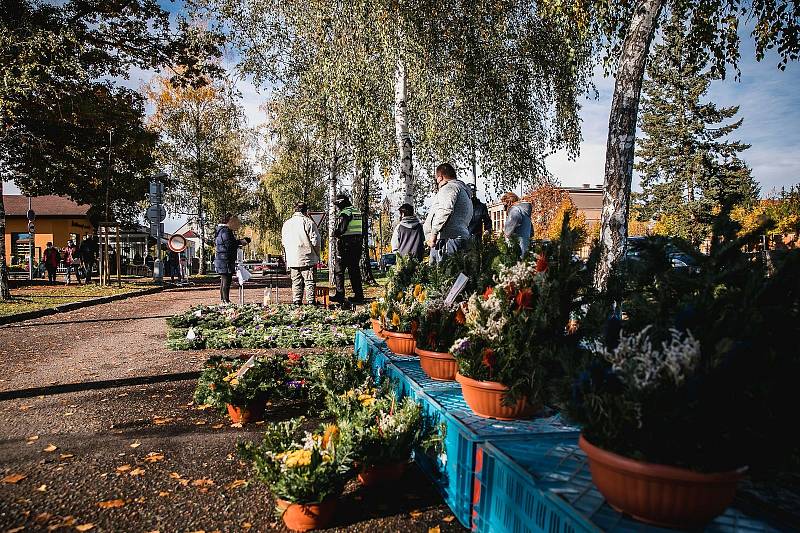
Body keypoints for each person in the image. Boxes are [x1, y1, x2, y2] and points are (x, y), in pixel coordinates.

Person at [423, 163, 473, 264]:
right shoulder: (463, 191)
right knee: (458, 275)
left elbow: (445, 210)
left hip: (447, 241)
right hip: (458, 238)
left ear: (440, 177)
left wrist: (433, 235)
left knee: (445, 276)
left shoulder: (449, 188)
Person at [281, 202, 322, 305]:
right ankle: (310, 302)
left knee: (296, 282)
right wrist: (317, 254)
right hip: (307, 257)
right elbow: (315, 241)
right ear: (305, 211)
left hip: (293, 258)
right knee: (309, 281)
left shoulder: (287, 224)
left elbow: (284, 242)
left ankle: (296, 301)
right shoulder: (308, 222)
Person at [331, 193, 364, 304]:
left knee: (339, 270)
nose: (336, 207)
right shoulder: (357, 211)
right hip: (357, 244)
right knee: (354, 270)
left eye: (337, 204)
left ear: (341, 202)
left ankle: (340, 295)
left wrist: (336, 233)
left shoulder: (346, 212)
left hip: (346, 245)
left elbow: (342, 228)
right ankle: (359, 295)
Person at [214, 213, 251, 304]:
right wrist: (241, 242)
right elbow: (229, 244)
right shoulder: (225, 231)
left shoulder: (220, 231)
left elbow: (228, 243)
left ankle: (224, 299)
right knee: (226, 280)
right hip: (225, 259)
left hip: (223, 258)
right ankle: (225, 300)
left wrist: (238, 242)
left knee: (224, 280)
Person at [501, 192, 533, 257]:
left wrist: (507, 233)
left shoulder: (515, 209)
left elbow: (516, 217)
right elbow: (532, 232)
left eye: (505, 205)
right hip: (525, 244)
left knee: (515, 264)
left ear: (509, 202)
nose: (504, 208)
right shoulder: (524, 211)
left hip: (516, 246)